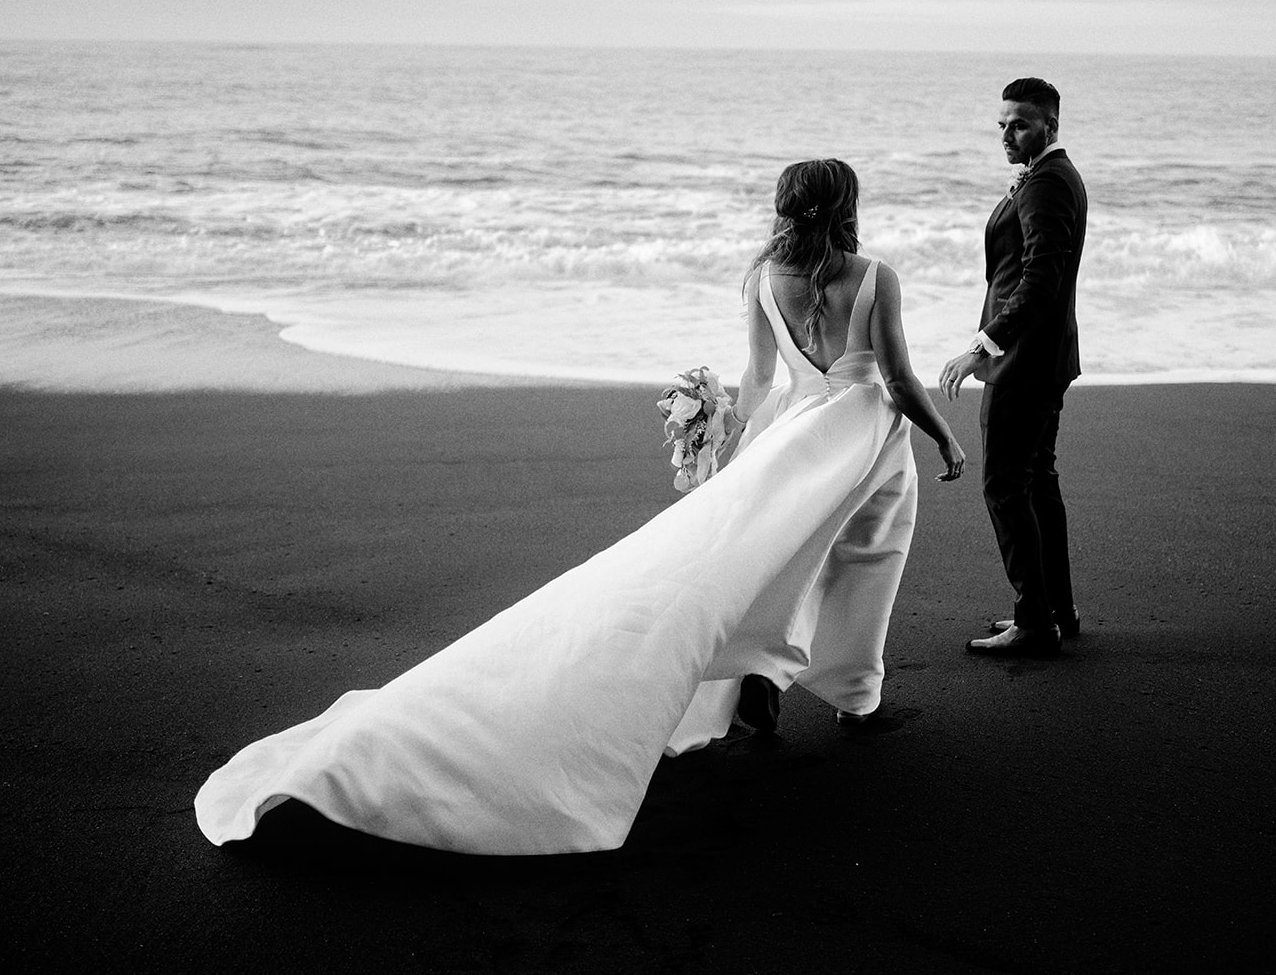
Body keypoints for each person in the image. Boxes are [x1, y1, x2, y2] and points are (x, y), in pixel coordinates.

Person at [195, 158, 965, 856]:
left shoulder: (765, 278)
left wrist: (729, 436)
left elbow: (760, 379)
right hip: (860, 436)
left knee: (754, 562)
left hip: (788, 436)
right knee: (866, 554)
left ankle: (765, 673)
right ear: (846, 205)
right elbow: (898, 381)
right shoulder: (875, 277)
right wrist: (948, 438)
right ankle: (852, 696)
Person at [939, 77, 1087, 657]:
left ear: (1051, 124)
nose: (1006, 134)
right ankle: (1055, 610)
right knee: (1037, 481)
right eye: (1001, 124)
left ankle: (1034, 622)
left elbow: (1040, 279)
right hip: (1043, 355)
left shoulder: (1046, 184)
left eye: (1020, 124)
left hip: (1025, 361)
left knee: (1005, 486)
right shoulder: (1048, 175)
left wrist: (982, 346)